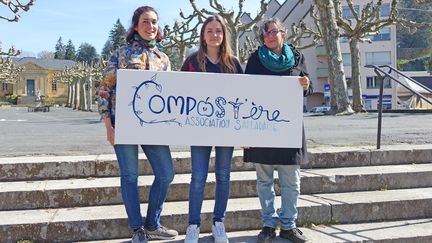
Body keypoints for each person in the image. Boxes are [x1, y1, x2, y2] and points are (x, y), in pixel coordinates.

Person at [98, 6, 178, 243]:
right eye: (145, 21)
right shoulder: (121, 54)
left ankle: (152, 224)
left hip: (154, 126)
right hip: (124, 125)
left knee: (166, 173)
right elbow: (104, 90)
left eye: (154, 22)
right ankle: (137, 229)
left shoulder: (164, 60)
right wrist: (108, 126)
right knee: (130, 176)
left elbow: (170, 96)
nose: (151, 26)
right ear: (135, 26)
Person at [243, 18, 312, 243]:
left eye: (273, 31)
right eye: (265, 33)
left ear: (284, 33)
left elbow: (306, 89)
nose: (269, 36)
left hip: (288, 130)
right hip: (263, 130)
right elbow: (245, 94)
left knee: (291, 182)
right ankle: (268, 225)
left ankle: (289, 226)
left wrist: (306, 85)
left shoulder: (298, 57)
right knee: (264, 182)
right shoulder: (255, 59)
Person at [180, 15, 243, 243]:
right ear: (203, 36)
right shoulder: (191, 61)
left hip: (226, 130)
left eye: (218, 31)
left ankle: (219, 223)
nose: (214, 35)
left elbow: (245, 97)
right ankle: (193, 225)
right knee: (198, 177)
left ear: (224, 34)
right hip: (199, 130)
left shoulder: (233, 63)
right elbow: (179, 94)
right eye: (210, 31)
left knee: (223, 176)